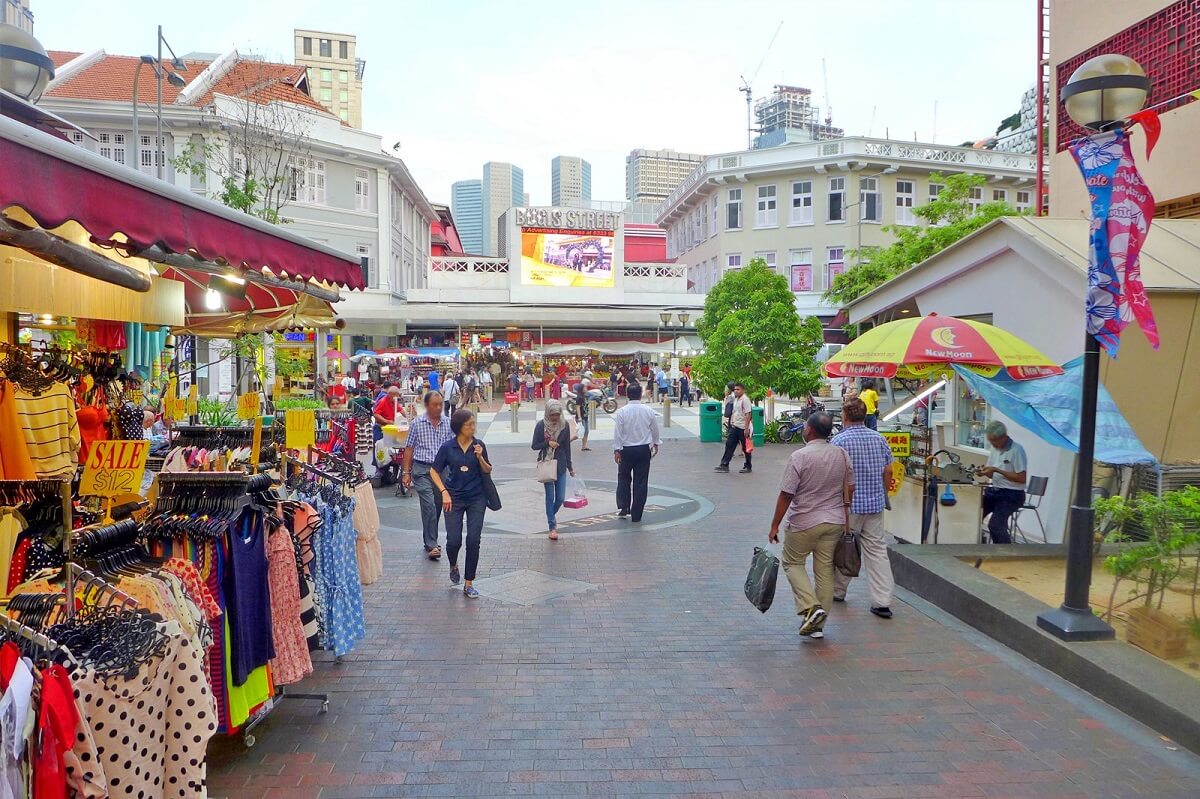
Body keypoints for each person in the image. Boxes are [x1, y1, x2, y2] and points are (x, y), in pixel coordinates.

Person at [769, 412, 854, 640]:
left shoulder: (800, 456)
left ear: (811, 430)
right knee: (824, 570)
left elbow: (787, 494)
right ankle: (817, 625)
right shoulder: (841, 454)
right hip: (834, 521)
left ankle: (810, 606)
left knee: (792, 562)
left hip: (804, 521)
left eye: (806, 427)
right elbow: (850, 488)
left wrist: (775, 525)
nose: (804, 430)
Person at [831, 397, 896, 618]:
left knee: (844, 547)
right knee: (877, 551)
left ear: (845, 415)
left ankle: (838, 591)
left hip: (849, 506)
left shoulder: (839, 441)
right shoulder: (878, 438)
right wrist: (882, 492)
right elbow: (888, 471)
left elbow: (834, 476)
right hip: (875, 504)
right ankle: (882, 601)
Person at [428, 409, 493, 597]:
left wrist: (480, 457)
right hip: (453, 497)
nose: (473, 427)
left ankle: (468, 583)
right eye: (469, 424)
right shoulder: (448, 447)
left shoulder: (479, 445)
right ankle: (453, 564)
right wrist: (444, 492)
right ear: (459, 427)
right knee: (453, 540)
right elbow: (434, 471)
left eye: (474, 423)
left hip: (476, 497)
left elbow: (488, 469)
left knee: (473, 540)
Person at [402, 391, 455, 560]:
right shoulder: (417, 424)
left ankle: (428, 539)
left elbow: (454, 448)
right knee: (429, 505)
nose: (439, 408)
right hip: (422, 470)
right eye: (435, 404)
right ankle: (432, 544)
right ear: (427, 405)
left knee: (437, 506)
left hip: (441, 471)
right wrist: (406, 473)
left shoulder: (448, 423)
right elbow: (409, 449)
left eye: (441, 404)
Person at [611, 384, 660, 522]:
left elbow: (618, 433)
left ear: (627, 394)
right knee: (641, 481)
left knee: (623, 477)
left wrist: (616, 449)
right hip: (643, 449)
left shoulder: (622, 412)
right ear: (641, 394)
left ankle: (623, 507)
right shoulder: (648, 410)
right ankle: (637, 514)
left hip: (626, 449)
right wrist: (656, 442)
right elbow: (654, 429)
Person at [532, 399, 575, 541]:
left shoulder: (564, 425)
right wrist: (547, 443)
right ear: (547, 413)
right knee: (550, 496)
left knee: (560, 497)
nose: (555, 417)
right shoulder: (541, 426)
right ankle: (552, 526)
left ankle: (551, 514)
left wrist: (570, 466)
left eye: (557, 414)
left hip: (561, 463)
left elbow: (567, 447)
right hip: (547, 463)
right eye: (552, 415)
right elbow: (534, 445)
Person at [979, 420, 1027, 545]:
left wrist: (997, 470)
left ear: (1004, 437)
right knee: (974, 515)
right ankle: (977, 543)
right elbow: (991, 472)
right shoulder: (994, 449)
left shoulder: (1017, 450)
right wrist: (985, 472)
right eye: (990, 440)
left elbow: (1021, 478)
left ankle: (1005, 553)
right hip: (994, 491)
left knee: (995, 525)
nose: (992, 443)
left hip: (1012, 494)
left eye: (994, 440)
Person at [715, 383, 754, 474]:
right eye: (735, 389)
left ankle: (748, 466)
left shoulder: (745, 400)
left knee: (745, 448)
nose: (736, 391)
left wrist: (746, 428)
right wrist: (732, 422)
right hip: (735, 426)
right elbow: (735, 412)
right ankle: (724, 465)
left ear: (743, 390)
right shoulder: (736, 399)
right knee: (729, 444)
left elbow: (748, 414)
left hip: (743, 427)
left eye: (738, 389)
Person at [572, 380, 592, 451]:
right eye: (584, 388)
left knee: (586, 431)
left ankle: (584, 446)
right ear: (581, 389)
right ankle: (567, 442)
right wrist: (579, 417)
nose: (586, 388)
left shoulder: (585, 396)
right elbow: (577, 408)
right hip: (581, 417)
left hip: (585, 416)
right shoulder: (579, 398)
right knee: (580, 433)